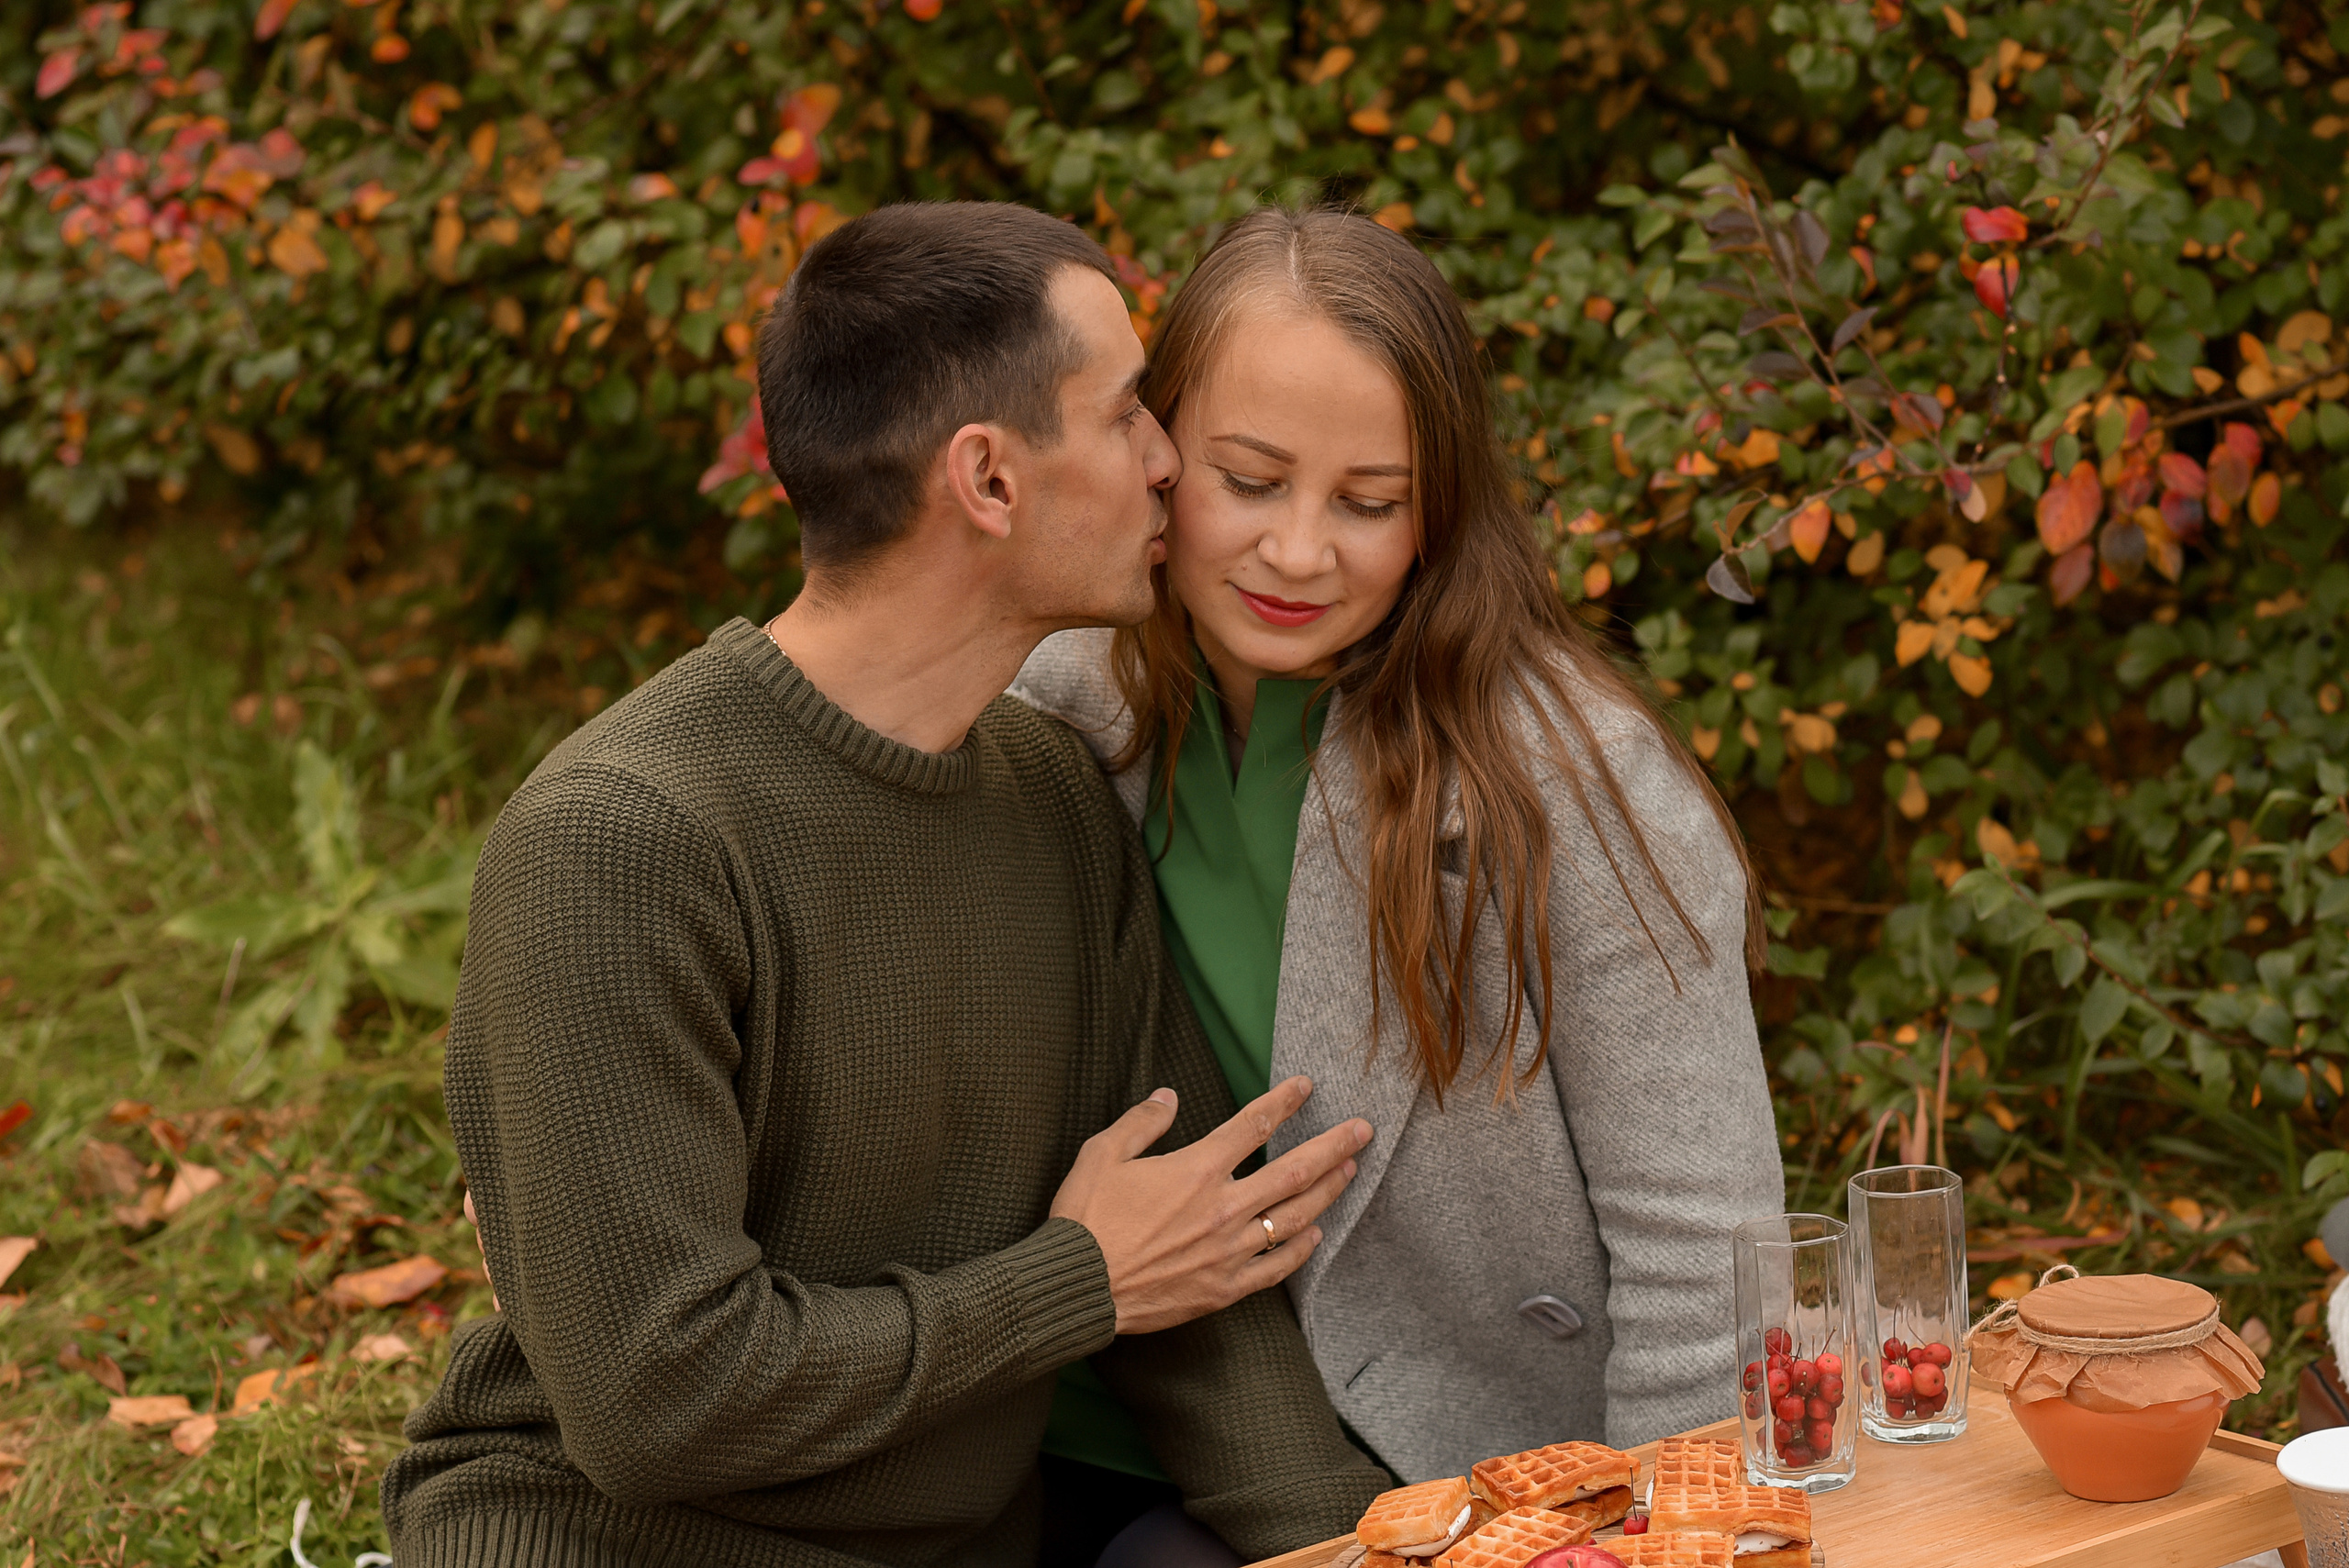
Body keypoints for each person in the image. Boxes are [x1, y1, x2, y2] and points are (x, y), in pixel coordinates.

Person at [381, 202, 1394, 1568]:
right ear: (988, 480)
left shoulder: (1050, 797)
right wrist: (1072, 1284)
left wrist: (1372, 1554)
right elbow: (653, 1399)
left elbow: (1197, 1255)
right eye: (1125, 416)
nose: (1170, 465)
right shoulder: (620, 843)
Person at [1013, 206, 1787, 1486]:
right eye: (1250, 481)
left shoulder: (1573, 786)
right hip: (1101, 1417)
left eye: (1370, 503)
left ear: (1439, 514)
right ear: (1155, 452)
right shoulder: (1062, 696)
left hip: (1461, 1469)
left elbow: (1709, 1251)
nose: (1299, 551)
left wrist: (1658, 1528)